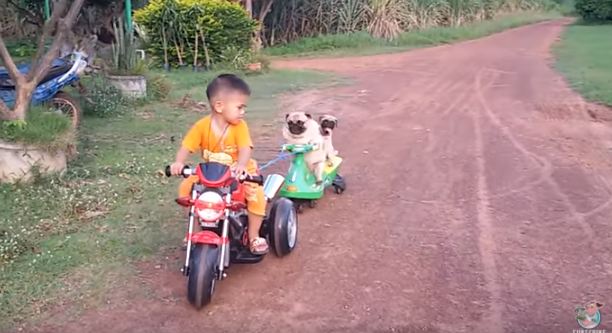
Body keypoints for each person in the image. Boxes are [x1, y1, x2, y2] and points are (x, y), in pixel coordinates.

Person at [169, 73, 269, 255]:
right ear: (219, 106)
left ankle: (254, 236)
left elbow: (245, 148)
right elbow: (187, 146)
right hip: (211, 173)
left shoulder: (239, 127)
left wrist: (241, 165)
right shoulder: (201, 126)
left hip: (240, 171)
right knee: (186, 189)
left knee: (255, 196)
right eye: (239, 107)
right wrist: (178, 162)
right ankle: (195, 231)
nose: (243, 112)